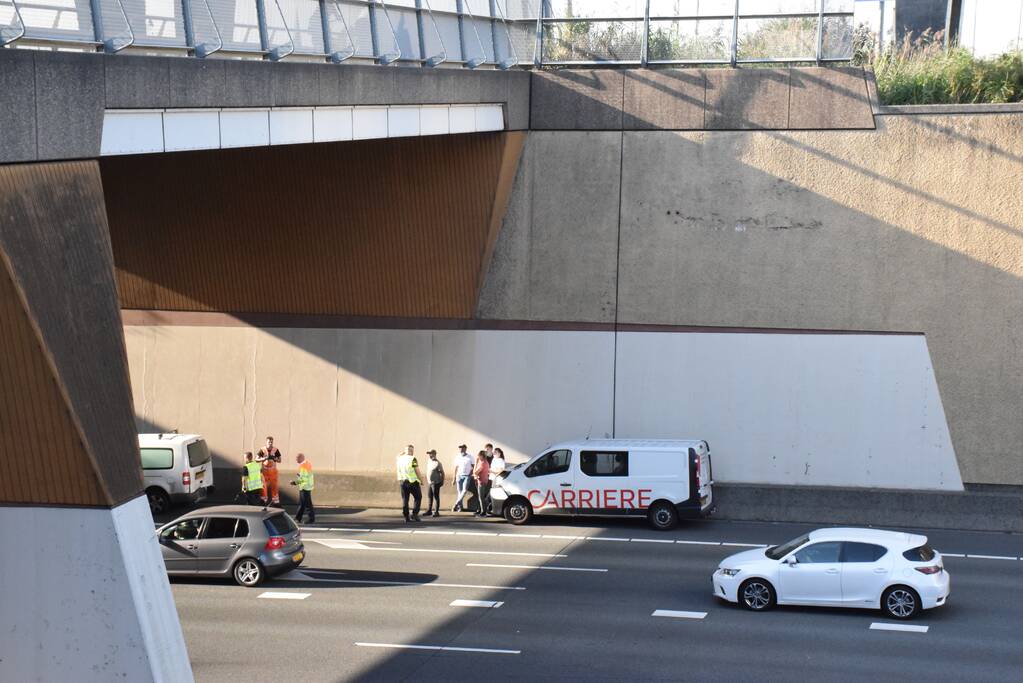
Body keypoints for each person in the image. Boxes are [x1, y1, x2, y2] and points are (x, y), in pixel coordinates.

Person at [396, 445, 424, 523]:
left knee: (405, 499)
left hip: (402, 482)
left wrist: (404, 452)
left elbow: (397, 456)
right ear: (412, 451)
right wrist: (421, 480)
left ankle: (406, 516)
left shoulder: (399, 459)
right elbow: (416, 470)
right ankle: (414, 514)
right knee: (418, 497)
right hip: (413, 482)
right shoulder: (413, 459)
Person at [289, 453, 315, 524]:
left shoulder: (303, 466)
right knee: (303, 504)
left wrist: (295, 482)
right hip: (306, 487)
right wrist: (299, 476)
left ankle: (311, 519)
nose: (296, 460)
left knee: (307, 504)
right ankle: (298, 518)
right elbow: (305, 476)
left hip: (305, 487)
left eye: (297, 458)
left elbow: (303, 479)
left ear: (301, 458)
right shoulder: (306, 464)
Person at [258, 435, 283, 506]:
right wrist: (264, 458)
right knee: (263, 487)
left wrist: (274, 458)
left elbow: (280, 460)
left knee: (274, 487)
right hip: (264, 472)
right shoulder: (262, 450)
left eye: (271, 442)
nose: (270, 443)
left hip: (273, 472)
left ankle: (275, 502)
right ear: (266, 442)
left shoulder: (275, 450)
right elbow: (256, 459)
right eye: (269, 442)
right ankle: (263, 501)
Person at [451, 445, 473, 512]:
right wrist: (454, 478)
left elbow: (473, 466)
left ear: (465, 449)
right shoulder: (457, 457)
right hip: (459, 476)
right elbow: (456, 468)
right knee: (459, 492)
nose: (461, 450)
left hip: (467, 476)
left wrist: (470, 474)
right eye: (460, 448)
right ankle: (460, 507)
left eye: (462, 448)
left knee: (464, 490)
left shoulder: (470, 457)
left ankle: (455, 504)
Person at [425, 450, 444, 517]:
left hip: (435, 483)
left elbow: (442, 473)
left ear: (434, 454)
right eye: (429, 454)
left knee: (436, 497)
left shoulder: (438, 463)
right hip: (430, 482)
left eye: (431, 454)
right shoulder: (429, 461)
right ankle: (429, 511)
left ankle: (436, 511)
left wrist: (442, 481)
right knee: (429, 496)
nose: (429, 455)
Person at [473, 450, 491, 518]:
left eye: (479, 456)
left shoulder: (482, 463)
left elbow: (475, 472)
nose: (478, 457)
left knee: (481, 498)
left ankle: (483, 513)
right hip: (483, 481)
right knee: (481, 497)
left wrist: (475, 463)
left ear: (482, 456)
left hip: (481, 482)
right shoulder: (485, 462)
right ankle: (481, 511)